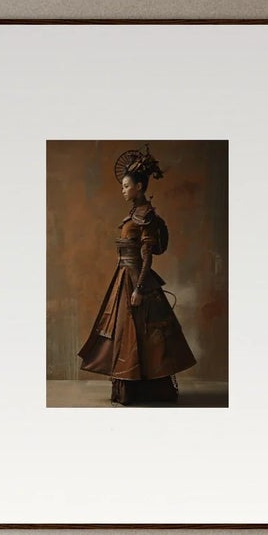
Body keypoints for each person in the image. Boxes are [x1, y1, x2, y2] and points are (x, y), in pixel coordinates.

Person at [77, 145, 197, 404]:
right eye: (122, 186)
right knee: (124, 333)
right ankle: (129, 387)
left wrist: (139, 289)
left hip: (135, 283)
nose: (122, 190)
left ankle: (146, 390)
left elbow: (148, 258)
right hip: (122, 279)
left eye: (126, 185)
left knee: (141, 334)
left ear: (139, 187)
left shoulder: (147, 217)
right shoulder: (131, 215)